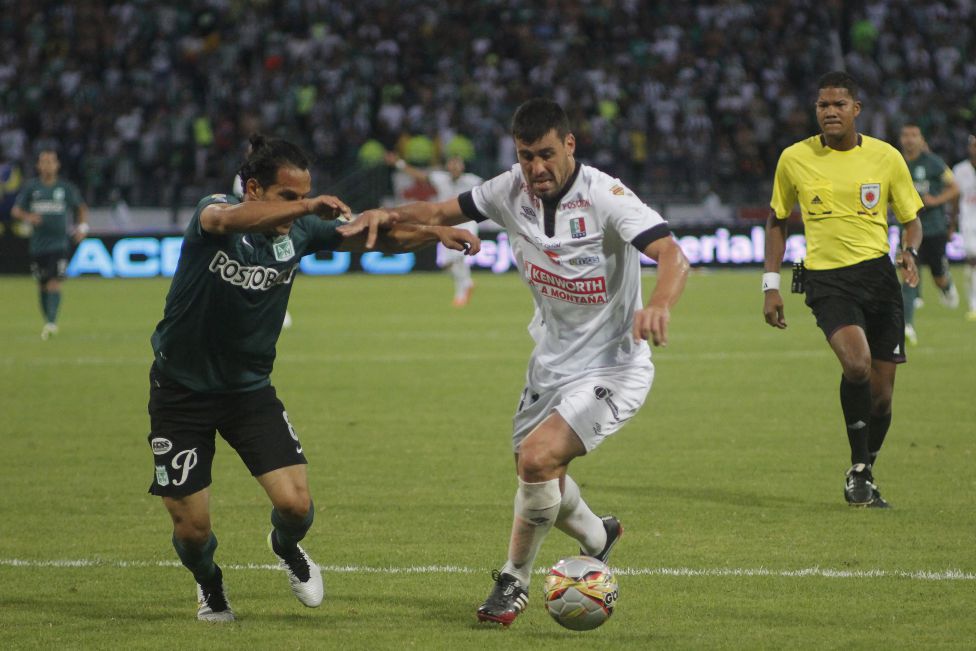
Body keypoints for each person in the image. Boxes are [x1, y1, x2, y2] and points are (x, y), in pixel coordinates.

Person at [348, 99, 689, 626]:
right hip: (549, 363)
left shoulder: (605, 194)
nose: (536, 168)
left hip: (614, 366)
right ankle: (598, 534)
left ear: (570, 145)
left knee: (536, 459)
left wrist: (660, 304)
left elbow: (671, 253)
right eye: (526, 156)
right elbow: (437, 213)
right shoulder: (508, 189)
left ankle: (513, 580)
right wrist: (384, 215)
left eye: (546, 154)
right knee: (538, 477)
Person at [147, 134, 479, 623]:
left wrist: (434, 233)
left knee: (296, 507)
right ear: (254, 189)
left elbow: (376, 235)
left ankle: (285, 548)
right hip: (180, 394)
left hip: (248, 391)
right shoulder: (214, 213)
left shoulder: (298, 230)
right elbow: (224, 219)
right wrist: (307, 207)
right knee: (192, 531)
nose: (298, 205)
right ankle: (209, 582)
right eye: (288, 196)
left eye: (303, 195)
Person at [762, 71, 924, 508]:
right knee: (856, 364)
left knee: (882, 399)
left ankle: (864, 470)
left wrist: (909, 251)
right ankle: (858, 467)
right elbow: (777, 219)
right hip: (827, 278)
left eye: (838, 104)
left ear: (856, 109)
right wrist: (770, 285)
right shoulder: (794, 158)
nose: (830, 112)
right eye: (823, 105)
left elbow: (911, 220)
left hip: (878, 278)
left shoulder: (886, 157)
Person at [386, 152, 483, 306]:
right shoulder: (440, 178)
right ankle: (467, 283)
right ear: (447, 166)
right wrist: (399, 164)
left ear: (463, 166)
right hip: (447, 223)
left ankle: (462, 291)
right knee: (445, 263)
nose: (455, 167)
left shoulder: (472, 180)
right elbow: (419, 176)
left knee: (458, 257)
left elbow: (490, 190)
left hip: (466, 221)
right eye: (452, 163)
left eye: (457, 163)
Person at [11, 149, 89, 339]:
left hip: (59, 244)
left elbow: (80, 207)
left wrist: (82, 227)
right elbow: (16, 211)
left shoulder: (65, 188)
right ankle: (48, 320)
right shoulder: (32, 188)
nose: (47, 165)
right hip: (38, 245)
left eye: (51, 161)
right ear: (38, 166)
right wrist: (29, 216)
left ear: (57, 165)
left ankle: (52, 322)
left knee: (54, 281)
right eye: (44, 162)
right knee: (42, 284)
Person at [898, 123, 960, 344]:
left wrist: (936, 200)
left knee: (938, 276)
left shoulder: (933, 162)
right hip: (908, 227)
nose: (909, 139)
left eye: (914, 135)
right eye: (906, 135)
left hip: (933, 228)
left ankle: (946, 285)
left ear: (921, 139)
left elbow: (954, 188)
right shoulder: (896, 162)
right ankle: (907, 325)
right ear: (901, 139)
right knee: (907, 273)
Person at [950, 132, 976, 320]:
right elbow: (954, 199)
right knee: (973, 261)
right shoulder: (960, 170)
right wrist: (952, 223)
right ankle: (974, 303)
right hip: (968, 223)